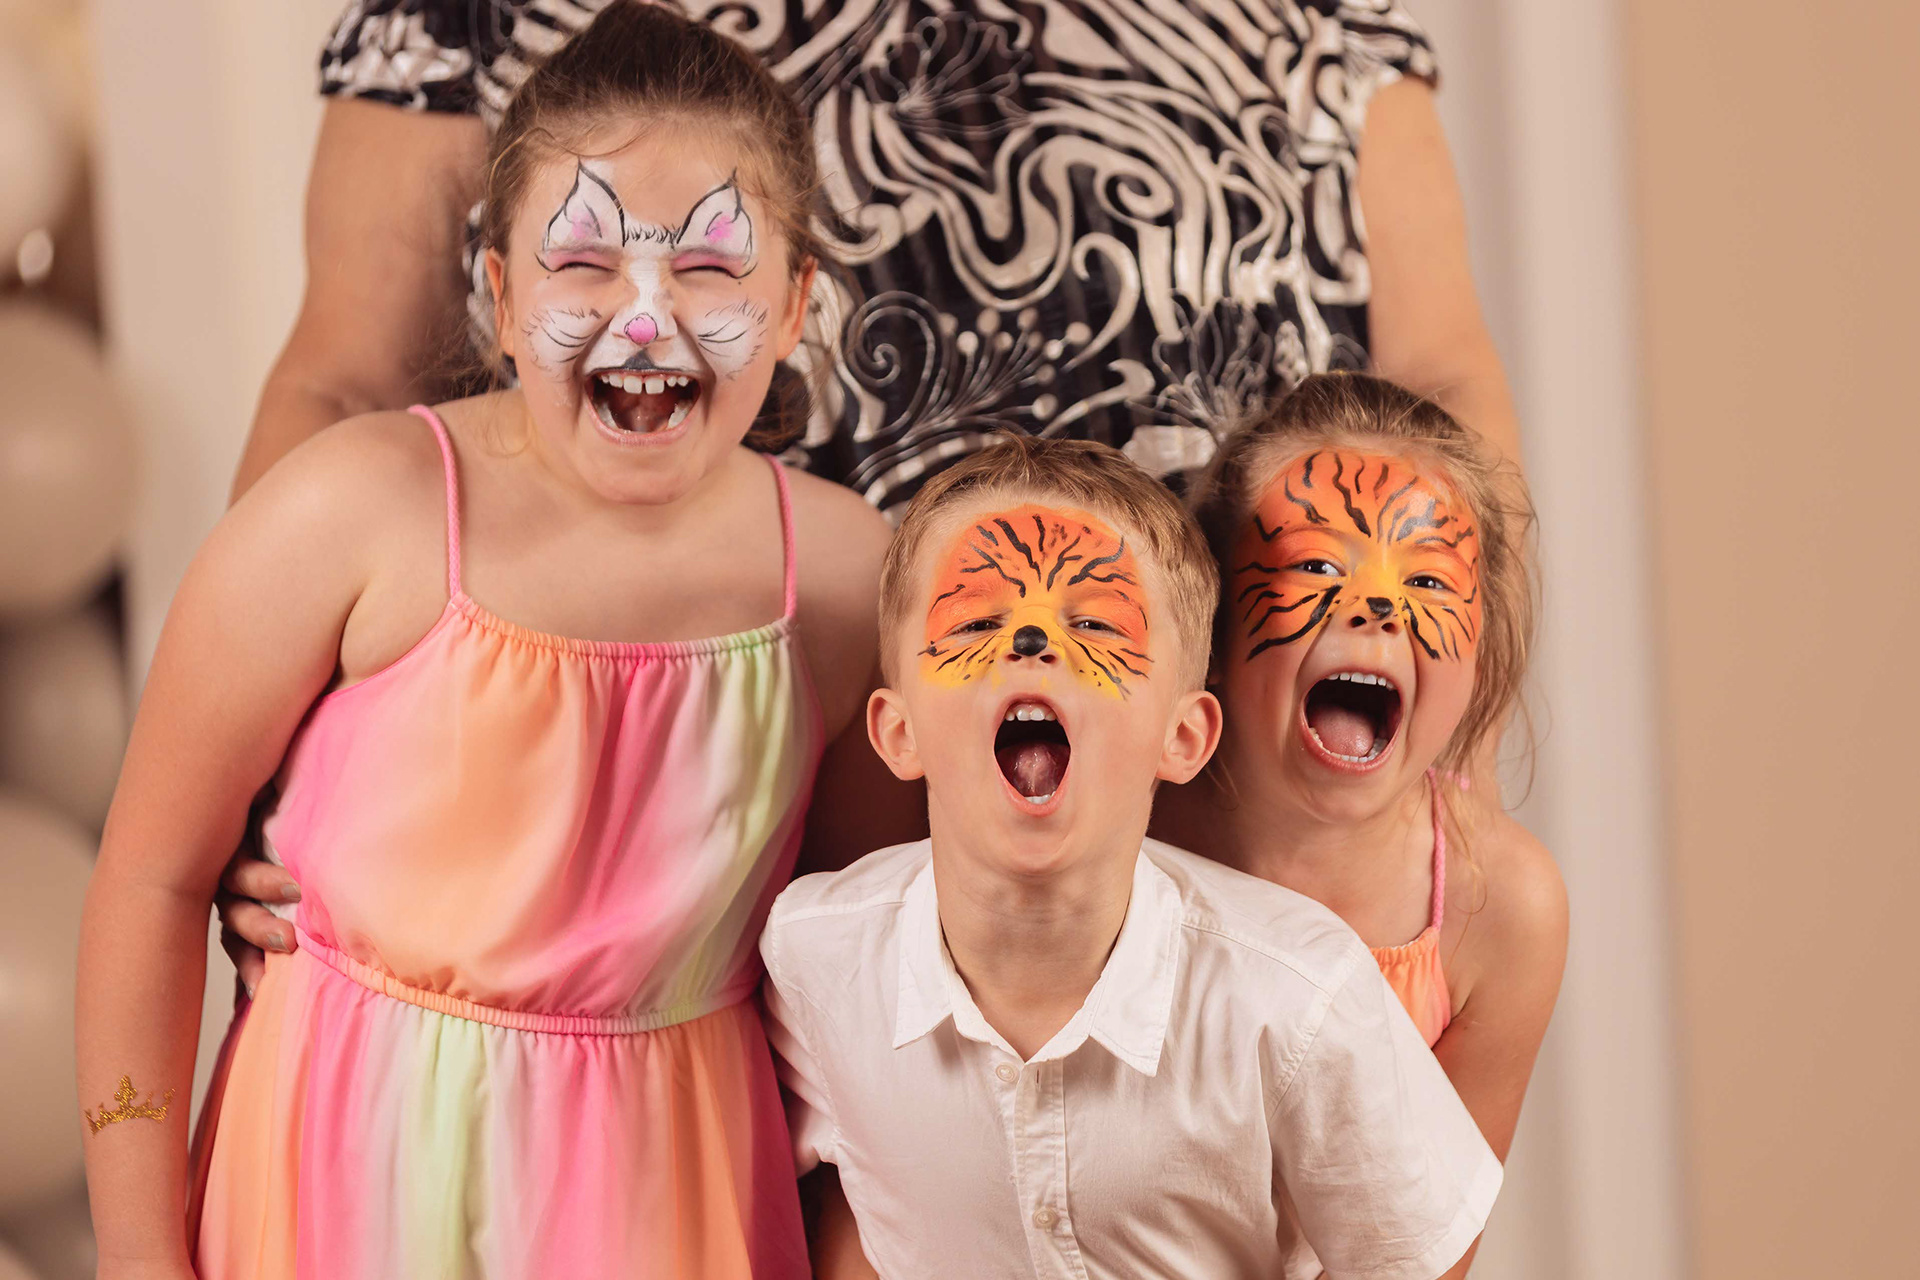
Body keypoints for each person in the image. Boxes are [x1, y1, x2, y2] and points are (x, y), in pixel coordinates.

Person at [219, 0, 1525, 987]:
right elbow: (346, 382)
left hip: (1225, 859)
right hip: (687, 879)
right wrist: (247, 779)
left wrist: (1446, 746)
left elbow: (1441, 383)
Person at [75, 9, 893, 1275]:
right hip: (342, 1193)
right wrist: (137, 1258)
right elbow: (150, 879)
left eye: (709, 267)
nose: (644, 321)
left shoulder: (845, 587)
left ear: (794, 305)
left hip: (667, 1211)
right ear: (502, 297)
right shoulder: (351, 509)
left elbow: (861, 976)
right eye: (583, 262)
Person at [760, 434, 1501, 1278]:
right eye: (976, 622)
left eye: (1092, 625)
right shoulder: (814, 957)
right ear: (898, 732)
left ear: (1183, 737)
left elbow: (1414, 1259)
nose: (1030, 641)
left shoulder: (1301, 997)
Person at [1158, 371, 1568, 1267]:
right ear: (1214, 628)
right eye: (1316, 568)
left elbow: (1423, 1261)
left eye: (1426, 579)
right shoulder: (1123, 836)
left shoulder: (1499, 911)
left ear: (1480, 651)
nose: (1376, 608)